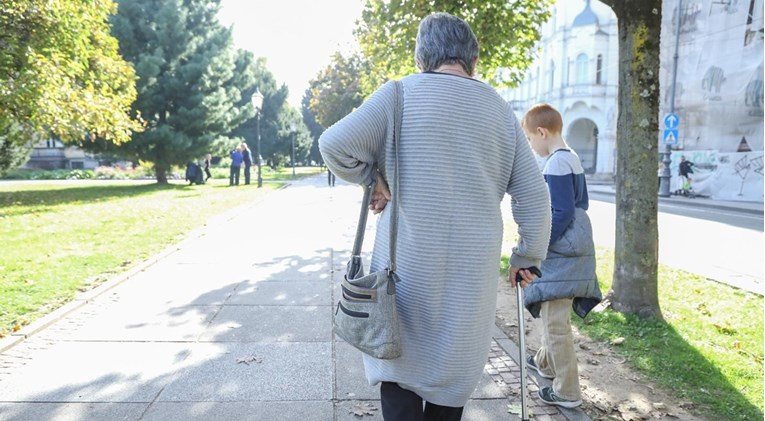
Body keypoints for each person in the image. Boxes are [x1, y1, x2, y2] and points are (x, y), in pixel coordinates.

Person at [319, 12, 551, 420]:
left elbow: (333, 144)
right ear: (472, 59)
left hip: (404, 279)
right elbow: (534, 195)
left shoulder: (397, 96)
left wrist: (372, 181)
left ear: (422, 56)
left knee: (399, 380)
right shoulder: (499, 110)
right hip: (469, 284)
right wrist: (527, 256)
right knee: (450, 389)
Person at [520, 103, 602, 409]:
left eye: (530, 139)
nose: (531, 145)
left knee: (555, 321)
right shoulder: (571, 157)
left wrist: (539, 245)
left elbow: (562, 211)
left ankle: (567, 391)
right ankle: (546, 362)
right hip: (576, 246)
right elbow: (581, 203)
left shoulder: (555, 163)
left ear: (542, 132)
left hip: (562, 251)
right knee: (555, 312)